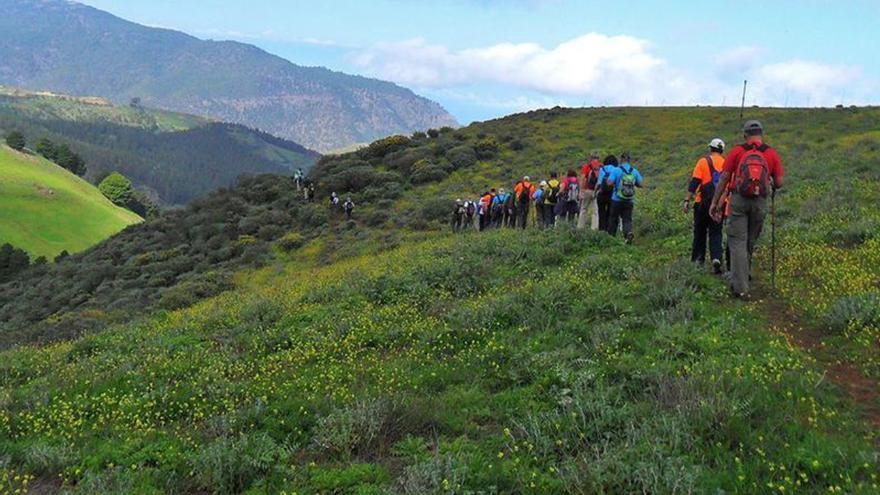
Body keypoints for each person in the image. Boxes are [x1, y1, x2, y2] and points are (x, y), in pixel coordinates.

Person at [710, 120, 784, 298]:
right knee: (749, 241)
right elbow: (780, 182)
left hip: (739, 200)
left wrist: (715, 202)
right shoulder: (771, 153)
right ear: (761, 133)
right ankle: (744, 274)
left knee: (737, 242)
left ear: (745, 135)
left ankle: (740, 287)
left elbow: (724, 178)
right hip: (760, 202)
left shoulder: (737, 151)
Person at [684, 138, 726, 273]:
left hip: (701, 203)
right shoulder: (726, 163)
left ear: (710, 149)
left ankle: (698, 261)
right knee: (716, 232)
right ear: (722, 150)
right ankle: (716, 258)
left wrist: (687, 200)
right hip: (720, 203)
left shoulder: (703, 162)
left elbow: (694, 182)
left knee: (700, 233)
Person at [606, 151, 644, 243]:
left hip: (616, 199)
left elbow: (609, 183)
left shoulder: (616, 170)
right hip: (629, 200)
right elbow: (641, 184)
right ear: (629, 160)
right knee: (627, 219)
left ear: (621, 159)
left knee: (613, 219)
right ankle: (628, 233)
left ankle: (611, 239)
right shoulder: (634, 171)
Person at [578, 151, 602, 230]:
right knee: (595, 211)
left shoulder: (587, 166)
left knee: (584, 209)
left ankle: (580, 228)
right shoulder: (601, 167)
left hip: (587, 190)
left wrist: (581, 190)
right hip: (597, 191)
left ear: (591, 158)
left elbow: (583, 178)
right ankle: (594, 228)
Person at [595, 155, 619, 232]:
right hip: (612, 194)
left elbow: (599, 183)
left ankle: (602, 230)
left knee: (601, 212)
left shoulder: (602, 169)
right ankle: (609, 230)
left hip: (602, 194)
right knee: (610, 213)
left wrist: (596, 192)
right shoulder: (616, 169)